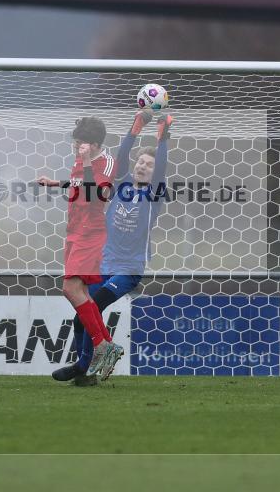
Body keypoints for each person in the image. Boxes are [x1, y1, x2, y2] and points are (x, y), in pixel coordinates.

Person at [53, 110, 173, 385]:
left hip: (129, 269)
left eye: (149, 165)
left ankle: (86, 367)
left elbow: (162, 166)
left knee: (95, 303)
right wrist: (135, 127)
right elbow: (121, 159)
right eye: (140, 162)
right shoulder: (120, 186)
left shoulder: (153, 194)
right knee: (80, 317)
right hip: (103, 262)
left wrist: (162, 136)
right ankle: (84, 369)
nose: (143, 166)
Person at [37, 117, 123, 380]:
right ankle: (107, 344)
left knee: (70, 288)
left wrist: (86, 162)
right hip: (74, 232)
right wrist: (56, 183)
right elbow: (77, 185)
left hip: (91, 233)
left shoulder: (107, 162)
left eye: (80, 144)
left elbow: (94, 195)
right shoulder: (81, 159)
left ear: (94, 144)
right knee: (81, 292)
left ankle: (100, 345)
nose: (76, 148)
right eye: (75, 144)